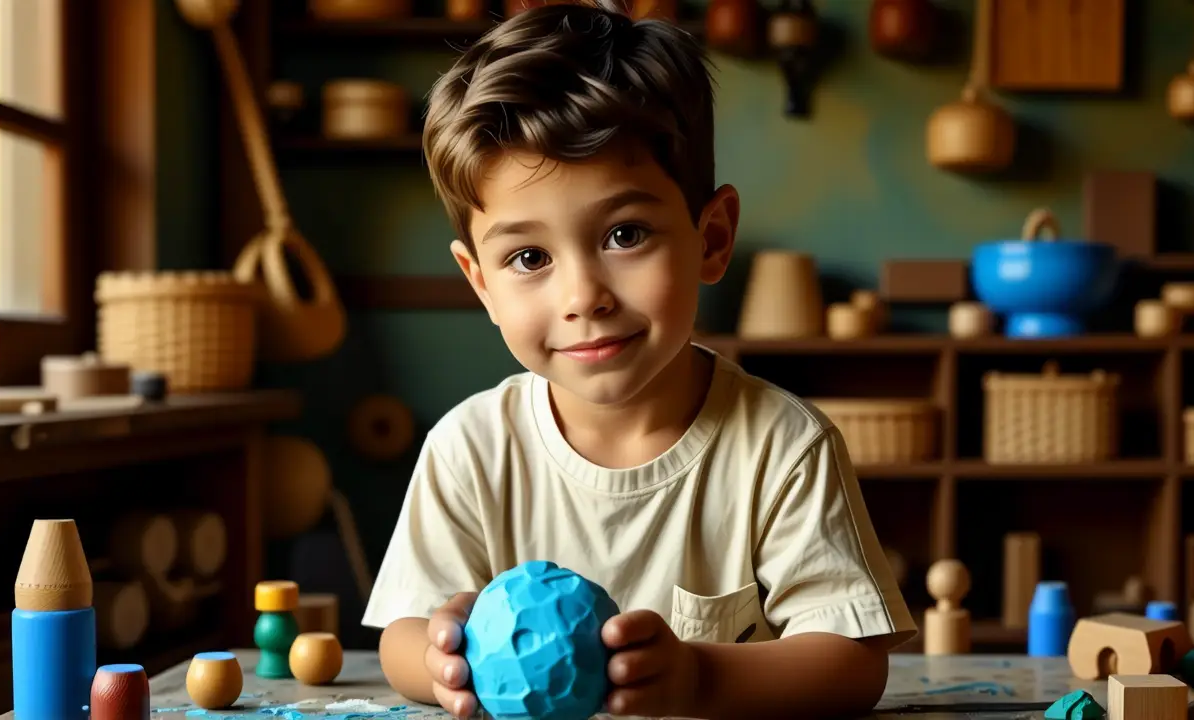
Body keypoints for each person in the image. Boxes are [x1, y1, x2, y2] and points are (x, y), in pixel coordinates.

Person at [361, 0, 917, 717]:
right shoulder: (469, 449)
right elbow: (401, 633)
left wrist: (698, 677)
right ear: (481, 284)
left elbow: (849, 664)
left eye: (624, 235)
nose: (582, 296)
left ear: (711, 238)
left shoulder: (782, 448)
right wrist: (443, 658)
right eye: (528, 257)